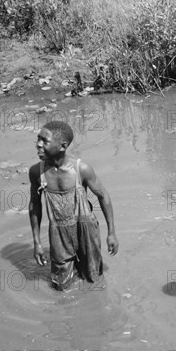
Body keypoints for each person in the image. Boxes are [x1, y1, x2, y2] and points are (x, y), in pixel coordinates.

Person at [29, 121, 119, 291]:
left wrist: (111, 233)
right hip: (58, 232)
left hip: (86, 229)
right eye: (38, 139)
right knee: (60, 286)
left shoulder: (81, 169)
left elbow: (103, 196)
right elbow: (34, 205)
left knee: (94, 279)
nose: (38, 145)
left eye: (44, 141)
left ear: (62, 146)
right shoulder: (36, 172)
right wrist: (37, 242)